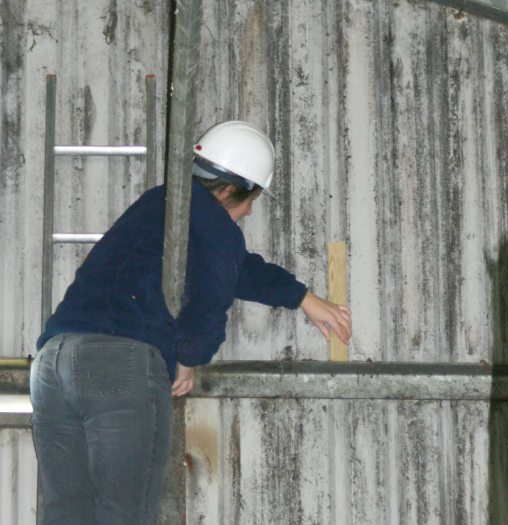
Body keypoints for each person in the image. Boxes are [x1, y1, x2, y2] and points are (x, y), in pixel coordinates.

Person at [30, 121, 352, 524]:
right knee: (124, 515)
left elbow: (235, 267)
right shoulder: (212, 222)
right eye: (251, 200)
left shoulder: (160, 204)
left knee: (65, 513)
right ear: (233, 189)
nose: (250, 211)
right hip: (118, 367)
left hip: (51, 366)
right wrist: (188, 357)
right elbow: (210, 297)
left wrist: (302, 297)